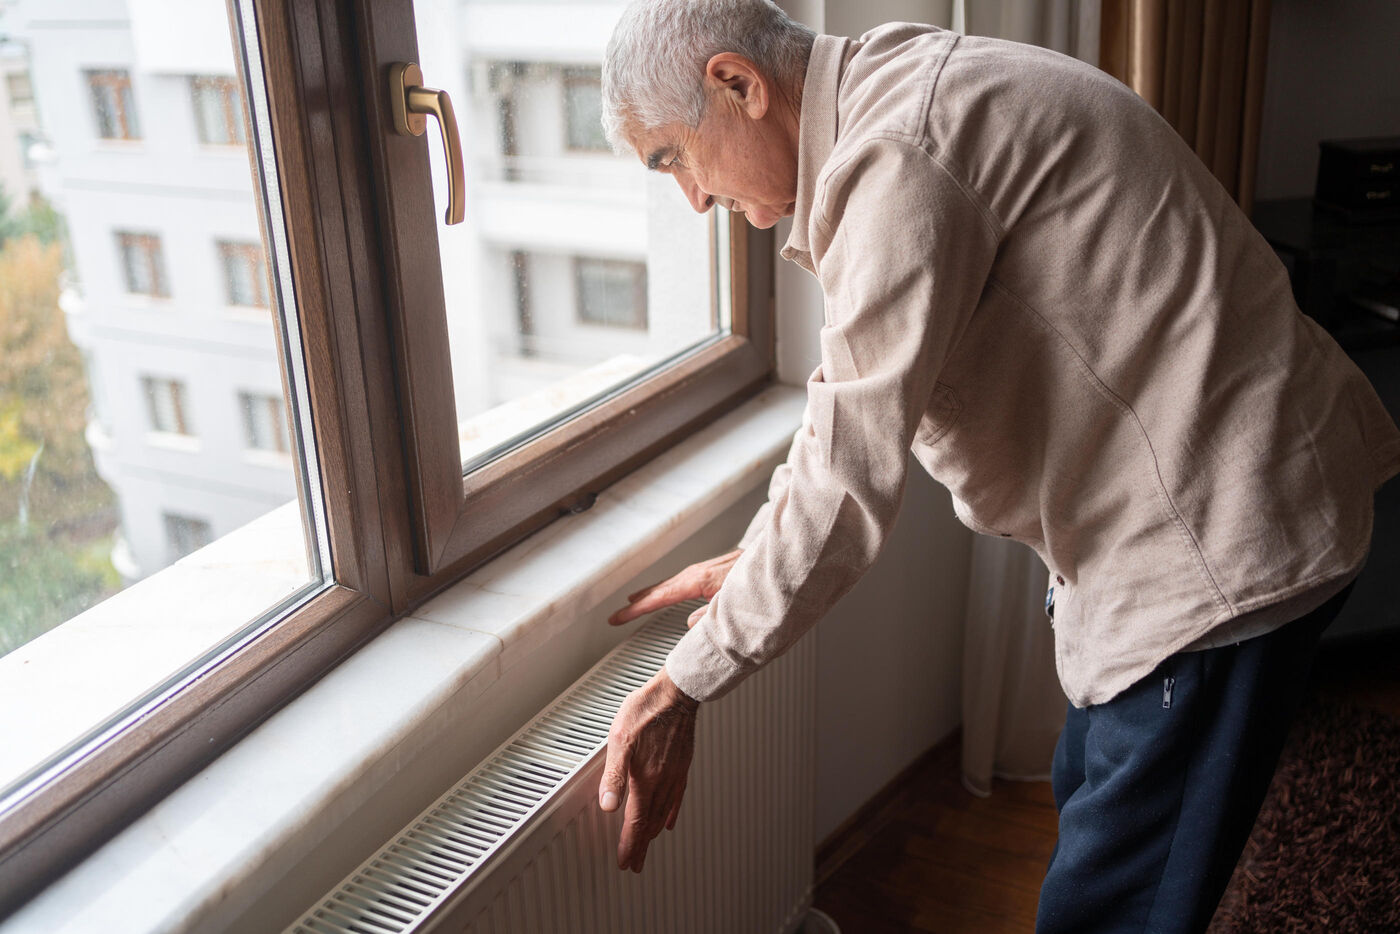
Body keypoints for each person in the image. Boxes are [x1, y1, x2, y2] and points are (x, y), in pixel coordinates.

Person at [593, 0, 1400, 930]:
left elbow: (848, 476)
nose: (691, 200)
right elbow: (846, 404)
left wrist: (683, 684)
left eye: (673, 158)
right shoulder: (886, 89)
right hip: (1212, 495)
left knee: (1114, 906)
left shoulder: (894, 156)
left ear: (737, 84)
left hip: (1223, 535)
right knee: (1092, 803)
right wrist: (756, 559)